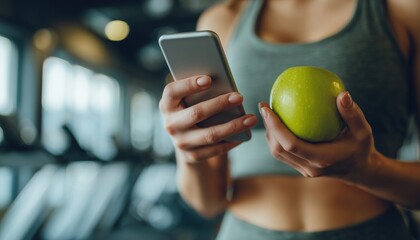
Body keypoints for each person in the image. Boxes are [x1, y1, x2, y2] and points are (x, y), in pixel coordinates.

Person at [158, 0, 420, 239]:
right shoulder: (222, 20)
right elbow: (208, 203)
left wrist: (368, 169)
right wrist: (189, 153)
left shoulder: (403, 10)